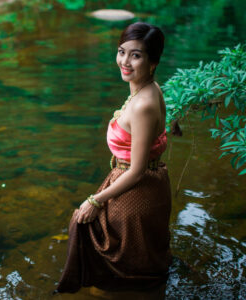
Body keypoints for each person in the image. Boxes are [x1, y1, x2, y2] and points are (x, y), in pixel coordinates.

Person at [55, 22, 172, 294]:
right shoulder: (150, 89)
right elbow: (155, 129)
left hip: (136, 191)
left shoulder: (143, 105)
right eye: (122, 52)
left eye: (136, 55)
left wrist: (95, 199)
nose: (125, 62)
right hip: (148, 186)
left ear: (153, 62)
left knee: (97, 236)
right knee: (142, 257)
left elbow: (138, 169)